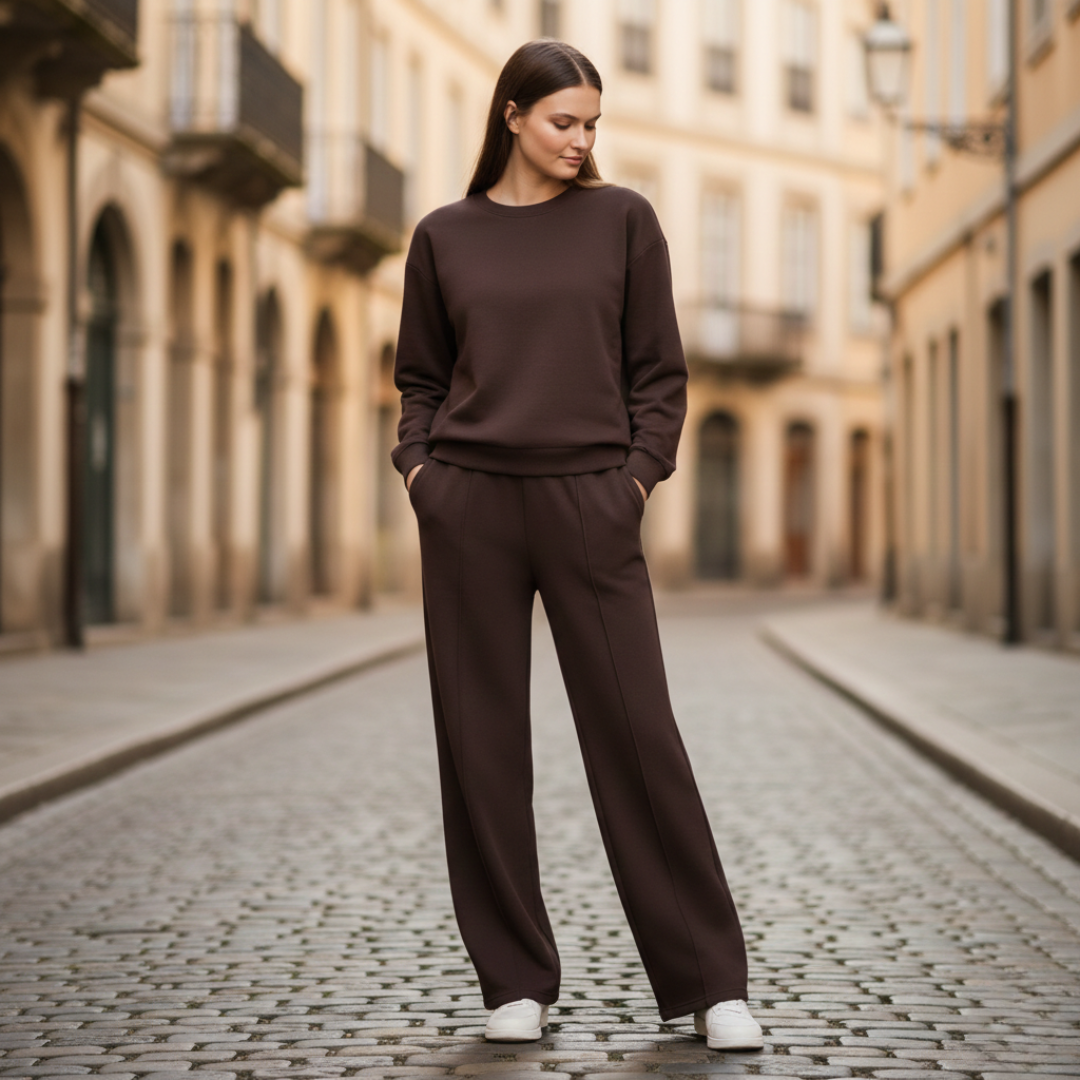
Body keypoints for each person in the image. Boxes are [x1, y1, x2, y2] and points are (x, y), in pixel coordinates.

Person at [391, 38, 762, 1053]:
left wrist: (634, 480)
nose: (580, 141)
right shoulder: (444, 235)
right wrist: (422, 473)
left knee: (639, 735)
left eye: (592, 124)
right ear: (511, 115)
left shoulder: (623, 222)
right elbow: (419, 378)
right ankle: (513, 979)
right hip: (468, 506)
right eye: (564, 122)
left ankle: (707, 983)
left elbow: (660, 373)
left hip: (591, 505)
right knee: (480, 745)